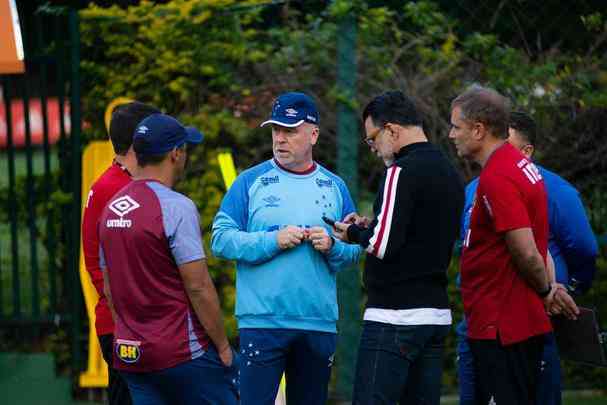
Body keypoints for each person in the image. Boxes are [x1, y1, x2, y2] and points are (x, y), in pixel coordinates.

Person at [211, 91, 361, 405]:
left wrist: (332, 246)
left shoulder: (335, 186)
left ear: (314, 134)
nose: (280, 138)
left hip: (317, 323)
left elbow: (354, 250)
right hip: (262, 323)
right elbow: (220, 240)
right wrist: (272, 240)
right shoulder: (249, 181)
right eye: (276, 130)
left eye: (290, 130)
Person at [448, 85, 579, 405]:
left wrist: (547, 290)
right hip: (508, 323)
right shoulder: (519, 166)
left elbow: (525, 249)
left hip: (501, 327)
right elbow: (539, 243)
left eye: (455, 127)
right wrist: (548, 285)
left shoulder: (498, 176)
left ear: (478, 130)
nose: (451, 135)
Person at [332, 90, 465, 405]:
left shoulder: (400, 171)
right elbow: (414, 233)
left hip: (395, 317)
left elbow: (381, 244)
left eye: (372, 139)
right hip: (434, 315)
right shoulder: (449, 171)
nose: (374, 149)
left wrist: (351, 232)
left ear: (391, 130)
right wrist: (373, 226)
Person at [99, 113, 238, 405]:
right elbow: (198, 286)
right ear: (176, 154)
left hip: (132, 355)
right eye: (185, 149)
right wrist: (224, 347)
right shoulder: (177, 207)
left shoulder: (111, 208)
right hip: (181, 353)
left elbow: (110, 288)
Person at [81, 101, 159, 405]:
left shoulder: (134, 180)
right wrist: (130, 315)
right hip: (124, 326)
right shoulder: (111, 187)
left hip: (146, 324)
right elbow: (95, 263)